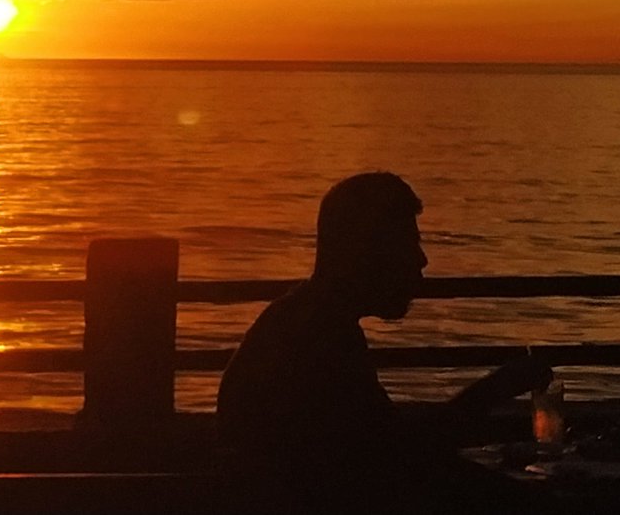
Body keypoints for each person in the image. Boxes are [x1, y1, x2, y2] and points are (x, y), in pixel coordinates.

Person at [217, 172, 554, 514]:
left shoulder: (304, 321)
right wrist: (495, 390)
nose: (422, 260)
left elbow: (381, 452)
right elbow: (400, 455)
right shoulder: (319, 339)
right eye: (409, 242)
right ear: (368, 250)